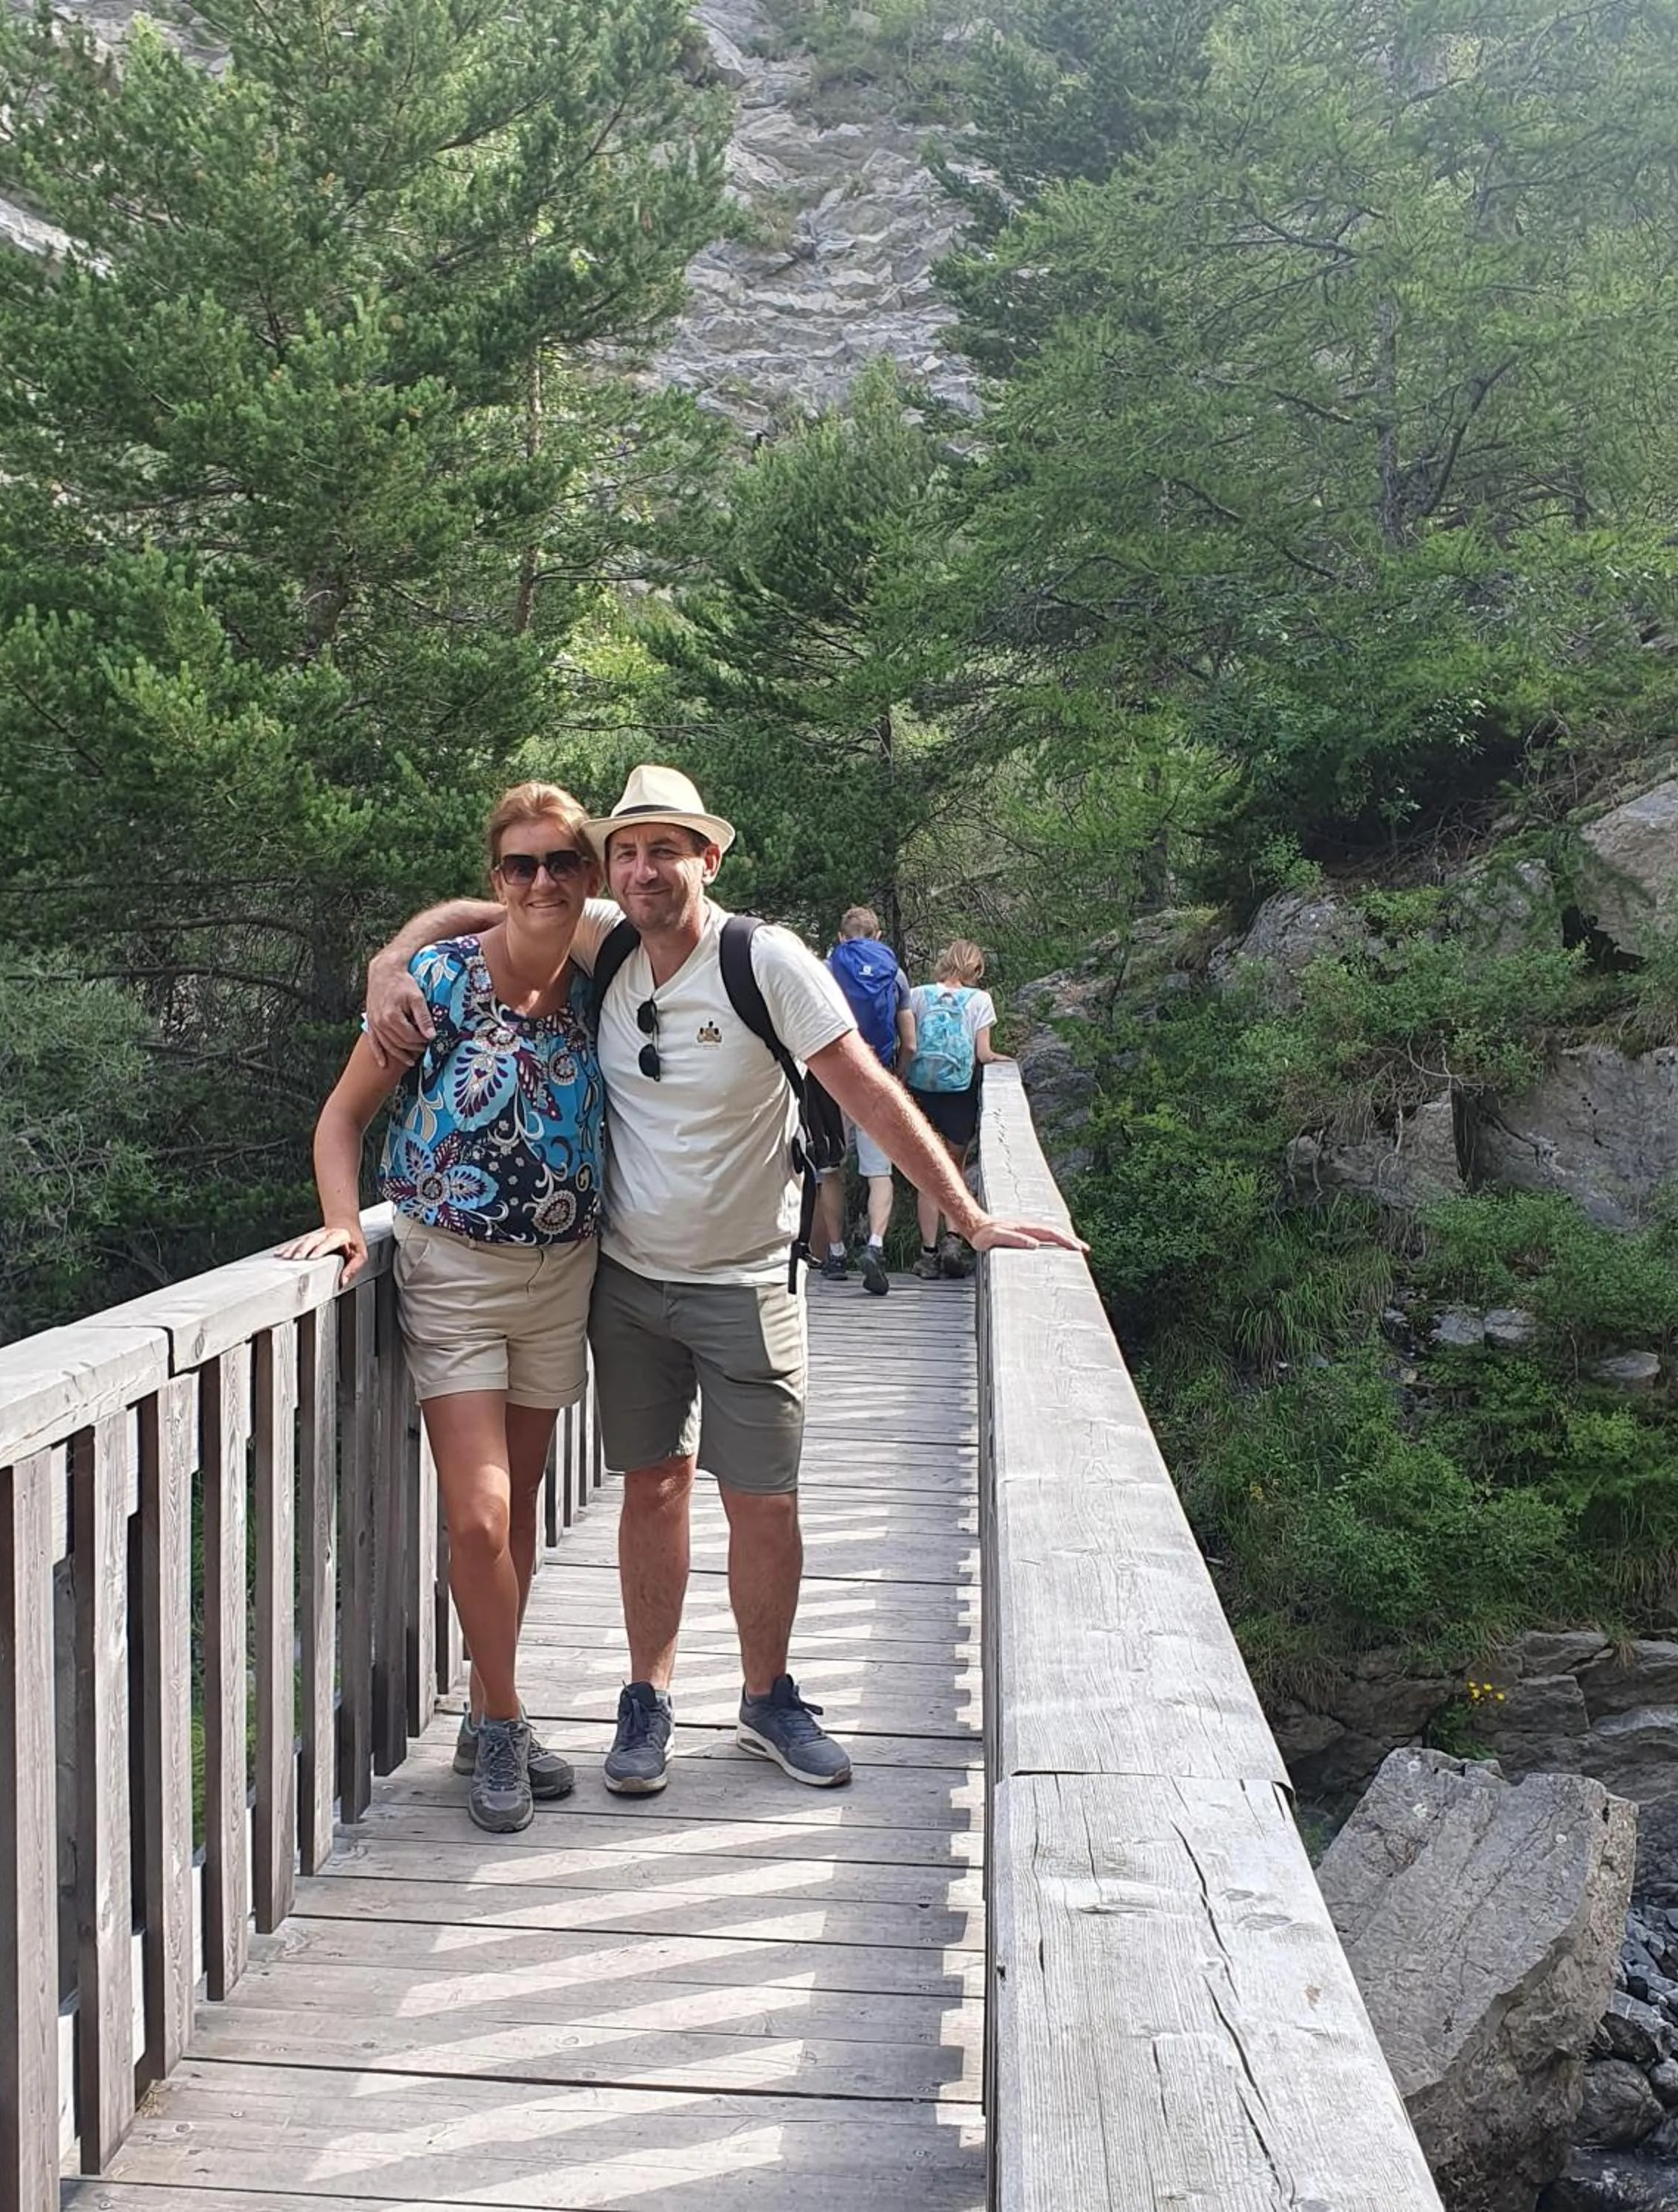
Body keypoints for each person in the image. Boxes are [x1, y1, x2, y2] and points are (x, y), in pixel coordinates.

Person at [365, 765, 1083, 1804]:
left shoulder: (766, 961)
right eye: (626, 850)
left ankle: (767, 1696)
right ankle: (646, 1700)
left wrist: (964, 1213)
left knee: (764, 1500)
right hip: (627, 1278)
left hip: (750, 1278)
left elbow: (869, 1093)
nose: (642, 869)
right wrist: (394, 955)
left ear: (709, 858)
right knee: (652, 1487)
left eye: (665, 849)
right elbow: (501, 898)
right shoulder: (605, 935)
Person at [277, 782, 603, 1836]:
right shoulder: (437, 986)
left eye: (562, 861)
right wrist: (341, 1223)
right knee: (483, 1516)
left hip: (566, 1273)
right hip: (452, 1268)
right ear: (495, 877)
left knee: (518, 1522)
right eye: (521, 865)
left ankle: (484, 1712)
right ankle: (503, 1723)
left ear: (588, 875)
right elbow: (339, 1123)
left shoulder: (609, 976)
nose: (542, 880)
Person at [812, 906, 914, 1295]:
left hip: (831, 1080)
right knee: (878, 1172)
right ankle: (875, 1245)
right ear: (878, 936)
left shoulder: (825, 969)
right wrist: (896, 1078)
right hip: (876, 1079)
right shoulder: (896, 975)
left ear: (841, 936)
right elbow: (910, 1042)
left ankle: (835, 1253)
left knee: (830, 1169)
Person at [902, 939, 1006, 1280]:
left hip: (921, 1090)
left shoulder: (918, 995)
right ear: (976, 969)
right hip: (958, 1094)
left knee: (926, 1173)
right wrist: (1003, 1060)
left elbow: (908, 1042)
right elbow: (984, 1054)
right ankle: (952, 1241)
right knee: (954, 1170)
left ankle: (928, 1255)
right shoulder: (980, 1000)